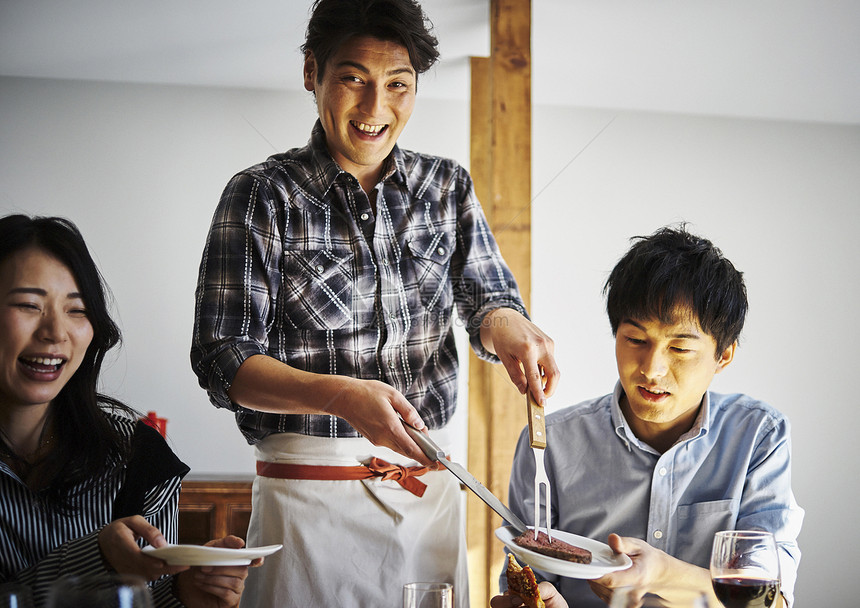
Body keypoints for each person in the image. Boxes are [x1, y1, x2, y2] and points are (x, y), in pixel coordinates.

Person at [190, 0, 559, 605]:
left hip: (427, 499)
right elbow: (222, 359)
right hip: (304, 511)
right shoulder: (261, 194)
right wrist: (340, 394)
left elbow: (488, 300)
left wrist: (510, 326)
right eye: (352, 79)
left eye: (398, 85)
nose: (374, 108)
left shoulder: (447, 188)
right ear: (313, 72)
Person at [491, 226, 803, 608]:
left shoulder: (757, 436)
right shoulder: (551, 443)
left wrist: (664, 575)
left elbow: (770, 599)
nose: (652, 369)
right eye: (636, 340)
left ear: (723, 355)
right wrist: (536, 598)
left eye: (680, 348)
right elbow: (526, 575)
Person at [0, 214, 259, 607]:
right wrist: (99, 560)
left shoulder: (139, 457)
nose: (55, 332)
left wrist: (184, 595)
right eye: (28, 305)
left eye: (77, 310)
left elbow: (151, 598)